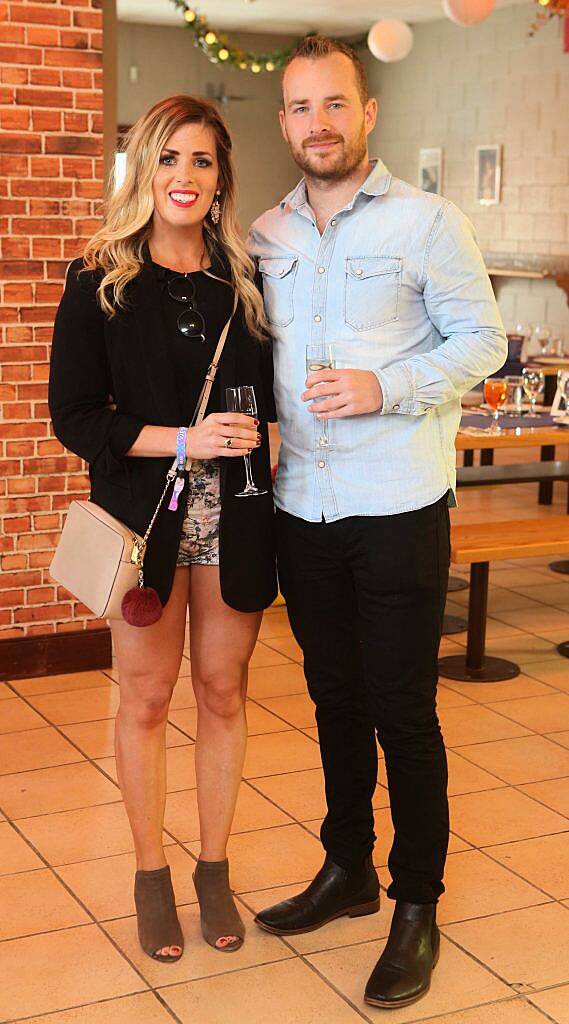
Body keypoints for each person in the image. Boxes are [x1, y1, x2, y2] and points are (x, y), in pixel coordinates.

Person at [248, 36, 507, 1010]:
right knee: (330, 697)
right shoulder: (266, 234)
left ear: (365, 115)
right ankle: (346, 866)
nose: (316, 122)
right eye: (298, 106)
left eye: (333, 104)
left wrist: (386, 383)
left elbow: (481, 338)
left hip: (396, 506)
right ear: (284, 122)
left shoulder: (426, 222)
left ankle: (413, 904)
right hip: (300, 511)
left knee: (402, 709)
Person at [49, 95, 277, 963]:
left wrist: (269, 433)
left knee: (223, 693)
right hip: (145, 523)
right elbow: (74, 416)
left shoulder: (243, 280)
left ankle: (211, 869)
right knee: (145, 701)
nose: (185, 177)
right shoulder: (99, 277)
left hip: (236, 521)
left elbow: (266, 396)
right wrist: (185, 439)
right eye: (169, 158)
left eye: (202, 162)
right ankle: (151, 876)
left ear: (221, 180)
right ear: (145, 168)